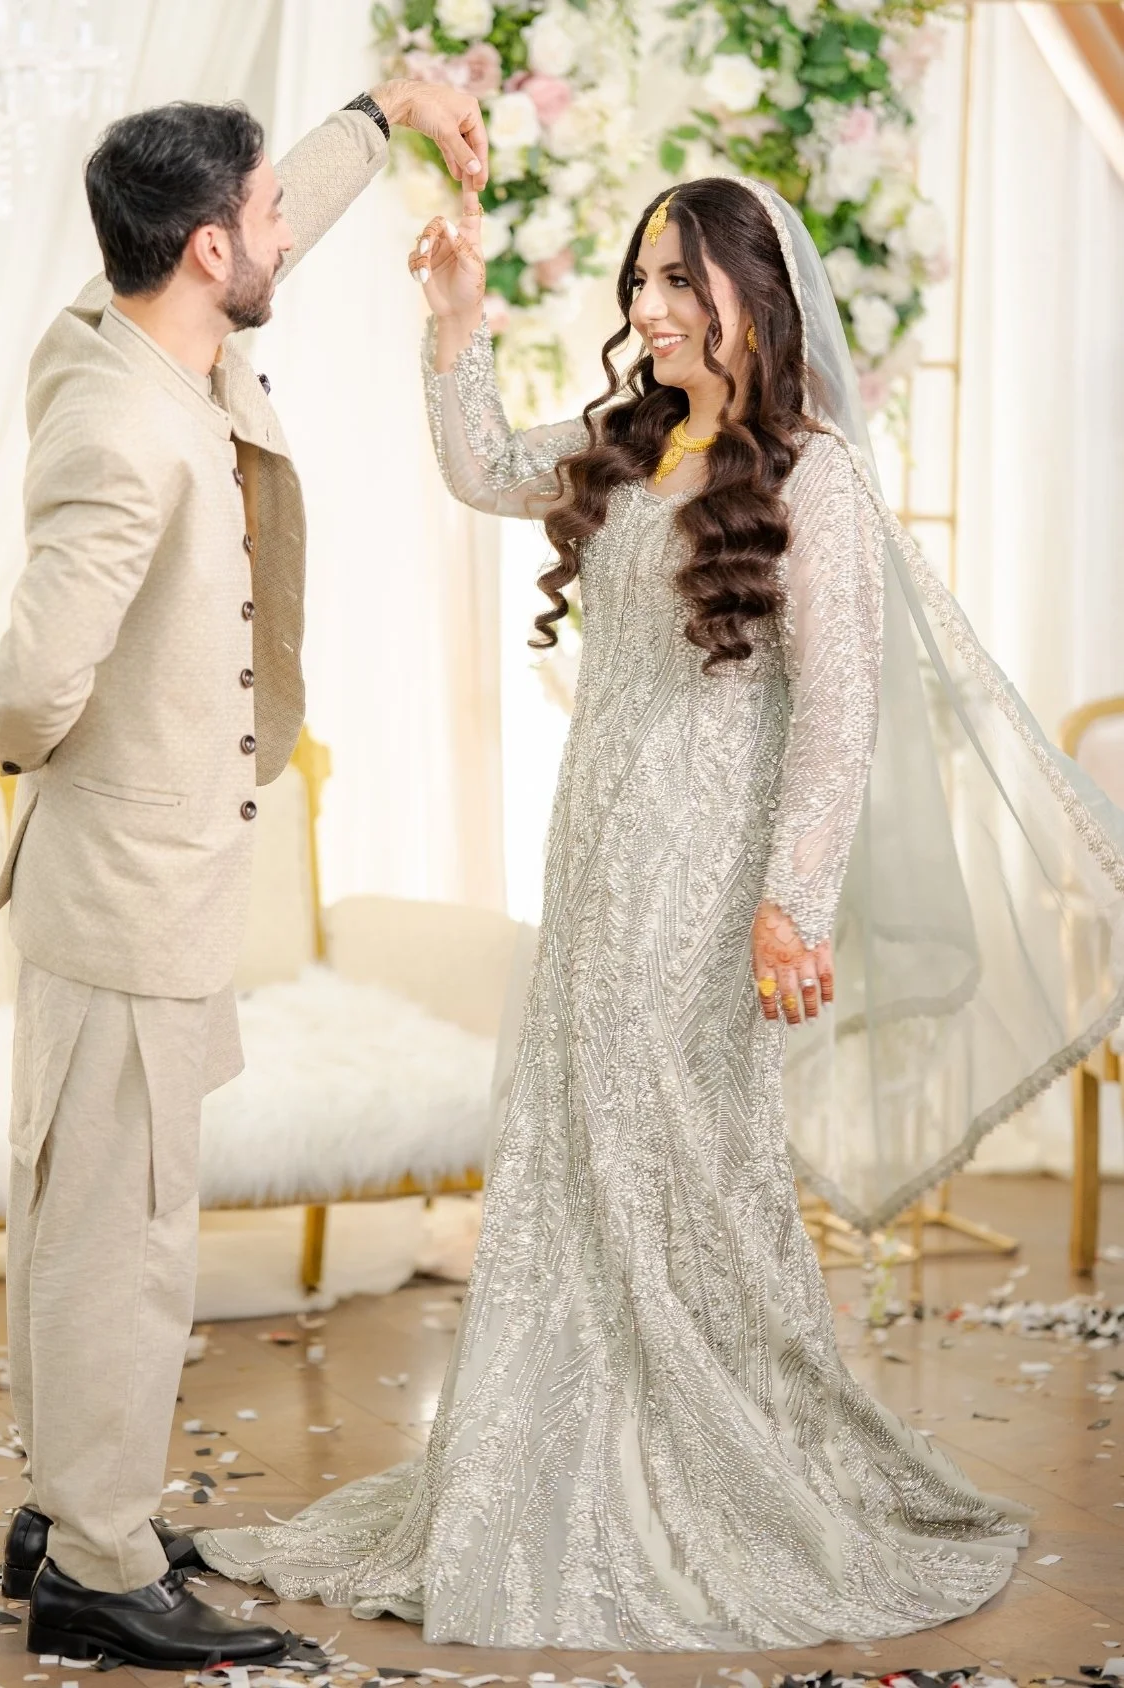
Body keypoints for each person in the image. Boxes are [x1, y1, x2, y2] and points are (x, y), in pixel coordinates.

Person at [192, 175, 1124, 1649]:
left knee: (682, 1155)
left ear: (754, 290)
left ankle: (721, 1471)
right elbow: (484, 466)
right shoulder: (626, 443)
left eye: (683, 282)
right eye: (641, 280)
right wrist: (454, 321)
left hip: (710, 871)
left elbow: (835, 716)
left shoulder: (813, 480)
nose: (652, 308)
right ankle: (564, 1461)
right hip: (596, 849)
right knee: (578, 1142)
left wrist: (789, 908)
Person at [0, 83, 489, 1672]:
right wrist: (114, 767)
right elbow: (24, 692)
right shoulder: (127, 431)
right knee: (125, 1241)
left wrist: (378, 118)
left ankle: (69, 1511)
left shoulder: (123, 320)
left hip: (142, 884)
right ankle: (99, 1567)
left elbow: (278, 221)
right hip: (128, 887)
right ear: (205, 249)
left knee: (94, 1214)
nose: (284, 235)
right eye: (265, 218)